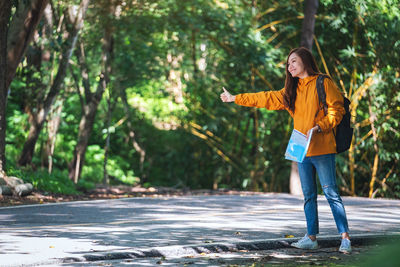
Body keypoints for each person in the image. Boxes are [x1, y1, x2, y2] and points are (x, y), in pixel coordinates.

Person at [220, 47, 351, 253]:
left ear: (305, 62)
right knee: (308, 195)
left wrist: (320, 126)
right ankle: (311, 237)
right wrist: (235, 98)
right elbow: (265, 98)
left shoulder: (323, 82)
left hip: (323, 147)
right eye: (288, 64)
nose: (289, 67)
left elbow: (337, 110)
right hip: (301, 149)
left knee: (331, 193)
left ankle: (345, 238)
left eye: (293, 62)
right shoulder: (292, 90)